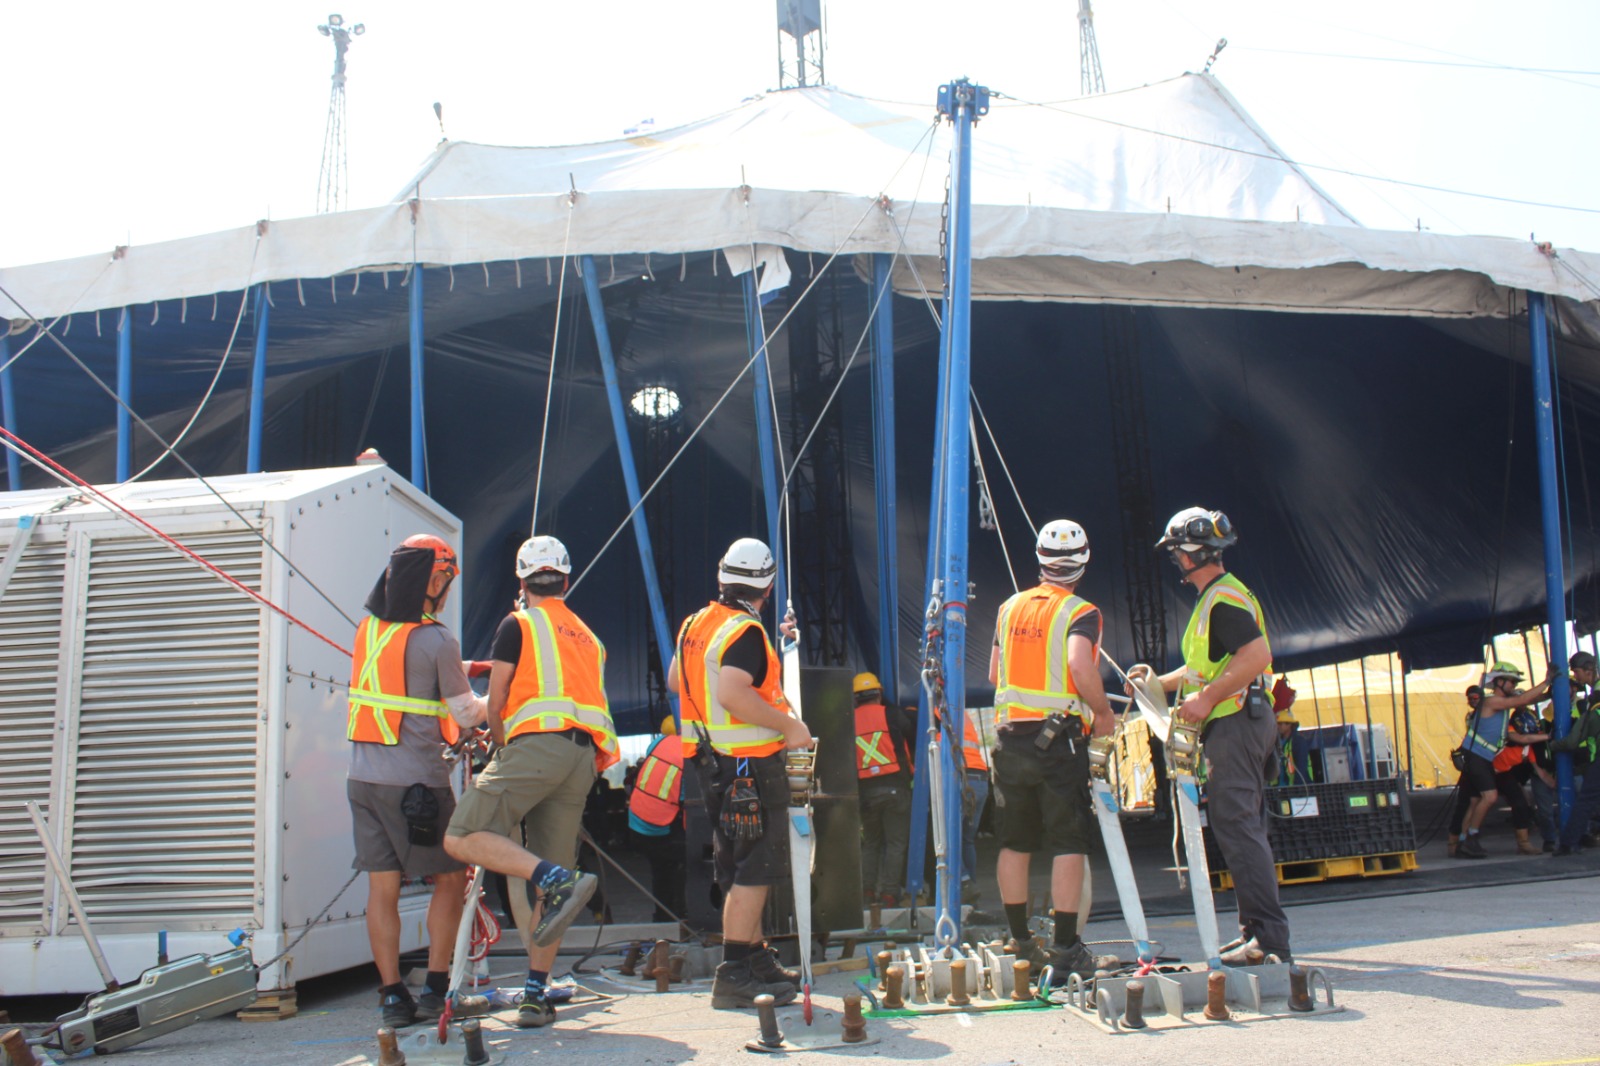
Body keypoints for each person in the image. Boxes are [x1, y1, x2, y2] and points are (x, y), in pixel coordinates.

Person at [443, 536, 619, 1028]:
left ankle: (553, 878)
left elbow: (495, 704)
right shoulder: (590, 636)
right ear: (564, 579)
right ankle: (536, 995)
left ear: (522, 582)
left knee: (461, 836)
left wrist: (498, 745)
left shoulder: (517, 624)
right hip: (581, 761)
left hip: (534, 751)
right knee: (553, 895)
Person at [1129, 507, 1289, 965]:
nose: (1175, 560)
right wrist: (1158, 682)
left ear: (1190, 553)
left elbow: (1255, 656)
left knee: (1238, 827)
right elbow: (1207, 670)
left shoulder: (1222, 600)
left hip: (1236, 720)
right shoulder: (1218, 599)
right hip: (1242, 719)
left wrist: (1205, 699)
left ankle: (1270, 939)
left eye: (1176, 552)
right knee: (1242, 827)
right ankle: (1256, 932)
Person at [346, 534, 489, 1028]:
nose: (447, 588)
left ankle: (390, 997)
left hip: (363, 781)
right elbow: (466, 711)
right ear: (433, 579)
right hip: (417, 788)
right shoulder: (438, 639)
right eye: (445, 578)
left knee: (381, 888)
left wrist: (465, 667)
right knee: (450, 877)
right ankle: (433, 991)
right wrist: (506, 693)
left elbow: (407, 674)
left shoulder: (369, 629)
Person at [668, 538, 814, 1010]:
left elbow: (678, 680)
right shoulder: (744, 633)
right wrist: (790, 725)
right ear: (767, 586)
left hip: (711, 765)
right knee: (756, 867)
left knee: (736, 863)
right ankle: (733, 971)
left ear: (721, 576)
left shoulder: (697, 624)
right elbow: (733, 693)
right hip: (748, 764)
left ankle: (753, 957)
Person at [988, 519, 1114, 985]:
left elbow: (995, 670)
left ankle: (1021, 943)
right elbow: (1081, 664)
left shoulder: (1009, 607)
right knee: (1068, 841)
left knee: (1014, 841)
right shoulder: (1080, 610)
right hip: (1058, 740)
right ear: (1083, 562)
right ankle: (1064, 951)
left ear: (1039, 558)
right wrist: (1102, 712)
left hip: (1009, 739)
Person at [1456, 661, 1553, 858]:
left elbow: (1525, 699)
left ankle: (1462, 841)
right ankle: (1470, 838)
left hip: (1482, 756)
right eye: (1511, 682)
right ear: (1499, 682)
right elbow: (1520, 700)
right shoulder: (1493, 702)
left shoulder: (1500, 702)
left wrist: (1550, 692)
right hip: (1477, 756)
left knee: (1476, 800)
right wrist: (1546, 682)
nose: (1513, 686)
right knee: (1489, 797)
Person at [852, 672, 914, 908]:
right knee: (895, 844)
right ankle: (889, 895)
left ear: (856, 698)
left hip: (866, 793)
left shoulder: (850, 720)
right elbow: (911, 732)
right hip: (896, 790)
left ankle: (867, 893)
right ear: (879, 693)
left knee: (871, 843)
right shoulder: (892, 714)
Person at [628, 716, 688, 923]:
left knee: (661, 871)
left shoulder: (659, 743)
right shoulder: (689, 758)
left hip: (636, 819)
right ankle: (678, 917)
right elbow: (688, 800)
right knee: (684, 865)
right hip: (658, 826)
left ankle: (663, 919)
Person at [1550, 651, 1600, 856]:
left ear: (1588, 671)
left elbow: (1574, 739)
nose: (1575, 676)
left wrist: (1552, 745)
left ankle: (1568, 843)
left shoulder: (1595, 698)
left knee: (1586, 799)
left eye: (1577, 671)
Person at [1447, 685, 1483, 858]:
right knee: (1466, 803)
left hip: (1484, 761)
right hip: (1475, 762)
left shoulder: (1486, 713)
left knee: (1478, 801)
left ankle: (1466, 839)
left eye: (1476, 697)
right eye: (1470, 698)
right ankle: (1457, 842)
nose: (1473, 701)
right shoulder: (1472, 716)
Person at [1272, 677, 1309, 786]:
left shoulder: (1298, 742)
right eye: (1279, 723)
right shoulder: (1275, 742)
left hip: (1295, 787)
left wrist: (1298, 788)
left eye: (1285, 723)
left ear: (1291, 726)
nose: (1281, 726)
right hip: (1280, 787)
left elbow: (1301, 765)